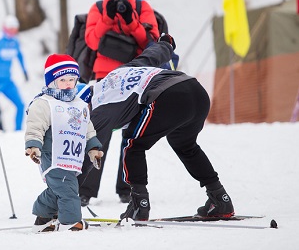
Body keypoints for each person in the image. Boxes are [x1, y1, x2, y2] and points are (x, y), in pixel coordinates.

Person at [90, 34, 235, 221]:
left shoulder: (99, 107)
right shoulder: (121, 71)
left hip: (169, 96)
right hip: (195, 91)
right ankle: (220, 198)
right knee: (186, 146)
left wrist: (62, 198)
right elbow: (152, 54)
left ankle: (139, 204)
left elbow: (90, 147)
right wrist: (166, 44)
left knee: (132, 144)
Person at [78, 0, 161, 206]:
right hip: (105, 77)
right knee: (99, 132)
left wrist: (129, 19)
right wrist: (108, 16)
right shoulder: (98, 7)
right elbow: (92, 41)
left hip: (136, 76)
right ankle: (85, 189)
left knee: (132, 134)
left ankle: (127, 187)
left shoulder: (141, 6)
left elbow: (150, 42)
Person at [25, 54, 104, 232]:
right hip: (52, 156)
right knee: (68, 188)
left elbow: (87, 128)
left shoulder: (79, 104)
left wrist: (93, 148)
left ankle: (43, 219)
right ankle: (71, 222)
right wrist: (33, 145)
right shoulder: (44, 103)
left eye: (72, 79)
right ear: (52, 81)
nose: (68, 83)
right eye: (62, 80)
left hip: (72, 156)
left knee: (58, 188)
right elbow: (35, 126)